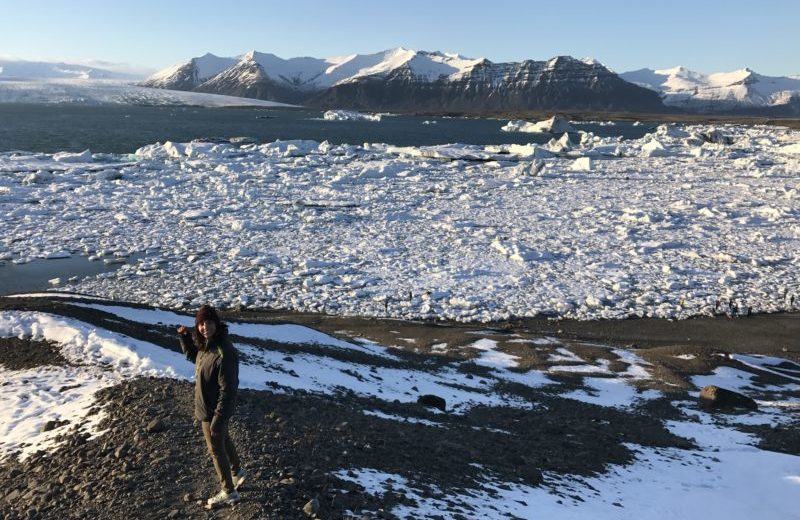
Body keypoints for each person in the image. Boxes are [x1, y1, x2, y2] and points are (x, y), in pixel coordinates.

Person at [177, 304, 245, 508]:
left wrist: (218, 418)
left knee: (216, 449)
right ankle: (237, 472)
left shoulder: (224, 352)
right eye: (201, 323)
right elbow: (195, 358)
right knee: (223, 438)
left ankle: (229, 491)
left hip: (213, 411)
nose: (204, 327)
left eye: (208, 322)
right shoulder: (207, 346)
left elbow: (229, 390)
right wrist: (184, 337)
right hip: (208, 408)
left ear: (216, 323)